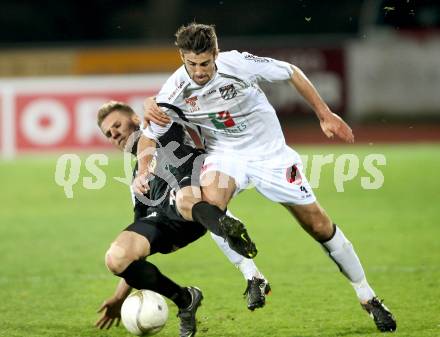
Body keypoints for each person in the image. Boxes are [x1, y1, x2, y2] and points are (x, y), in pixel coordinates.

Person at [137, 23, 397, 333]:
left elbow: (291, 72)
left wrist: (324, 114)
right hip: (225, 155)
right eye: (192, 63)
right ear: (182, 57)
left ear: (216, 54)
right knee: (209, 207)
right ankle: (253, 276)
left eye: (205, 62)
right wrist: (143, 168)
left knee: (317, 224)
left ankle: (367, 296)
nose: (199, 70)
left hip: (271, 154)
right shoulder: (173, 91)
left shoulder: (238, 64)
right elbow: (148, 135)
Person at [94, 102, 271, 337]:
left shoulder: (163, 129)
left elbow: (166, 99)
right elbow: (139, 248)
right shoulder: (137, 178)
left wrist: (151, 104)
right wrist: (118, 296)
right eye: (108, 133)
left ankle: (246, 264)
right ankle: (185, 299)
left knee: (190, 200)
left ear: (136, 119)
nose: (113, 133)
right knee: (116, 258)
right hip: (163, 225)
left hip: (190, 195)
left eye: (116, 125)